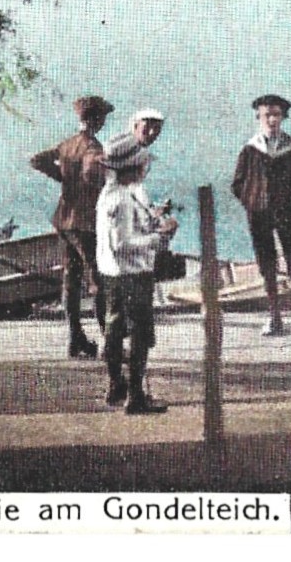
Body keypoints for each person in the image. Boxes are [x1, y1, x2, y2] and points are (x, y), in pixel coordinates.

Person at [95, 127, 178, 415]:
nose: (146, 167)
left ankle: (116, 385)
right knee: (139, 335)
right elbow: (122, 244)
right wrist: (159, 238)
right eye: (143, 163)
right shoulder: (121, 200)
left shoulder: (114, 193)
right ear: (132, 167)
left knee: (114, 330)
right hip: (131, 275)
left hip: (112, 274)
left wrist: (152, 218)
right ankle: (135, 396)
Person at [231, 94, 291, 337]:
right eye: (266, 115)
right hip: (258, 216)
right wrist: (252, 201)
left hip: (286, 213)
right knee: (266, 265)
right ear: (258, 117)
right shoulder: (250, 150)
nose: (271, 120)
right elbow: (237, 184)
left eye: (276, 115)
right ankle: (274, 318)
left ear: (283, 117)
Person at [30, 95, 114, 359]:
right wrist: (99, 187)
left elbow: (37, 160)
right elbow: (91, 174)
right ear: (97, 120)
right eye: (102, 118)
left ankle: (75, 338)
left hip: (64, 220)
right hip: (85, 222)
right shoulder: (93, 147)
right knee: (99, 279)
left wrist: (65, 179)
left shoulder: (68, 144)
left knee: (71, 278)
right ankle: (109, 341)